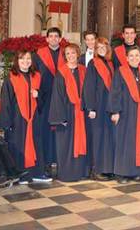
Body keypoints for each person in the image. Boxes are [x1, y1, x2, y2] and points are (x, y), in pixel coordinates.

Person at [1, 51, 51, 184]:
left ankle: (37, 173)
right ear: (17, 61)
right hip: (18, 119)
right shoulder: (11, 78)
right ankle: (22, 175)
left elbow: (44, 98)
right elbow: (6, 101)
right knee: (20, 146)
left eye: (28, 58)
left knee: (36, 144)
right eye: (22, 59)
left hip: (35, 118)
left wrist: (37, 94)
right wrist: (7, 123)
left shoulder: (37, 76)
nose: (26, 61)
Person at [108, 46, 140, 183]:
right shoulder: (120, 71)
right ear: (126, 58)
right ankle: (122, 173)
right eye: (131, 56)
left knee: (139, 140)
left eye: (137, 55)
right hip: (125, 112)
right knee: (124, 141)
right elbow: (115, 92)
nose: (134, 58)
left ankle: (138, 171)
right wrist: (115, 111)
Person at [49, 44, 89, 182]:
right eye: (67, 54)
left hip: (81, 113)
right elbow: (57, 96)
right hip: (66, 113)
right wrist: (61, 118)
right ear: (65, 56)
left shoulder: (84, 70)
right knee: (66, 145)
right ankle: (66, 173)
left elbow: (88, 93)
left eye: (73, 53)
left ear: (78, 54)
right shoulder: (61, 72)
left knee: (82, 142)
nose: (71, 56)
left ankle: (81, 172)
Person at [83, 37, 115, 181]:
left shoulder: (110, 63)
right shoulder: (93, 63)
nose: (102, 49)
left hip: (108, 106)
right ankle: (96, 169)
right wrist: (91, 107)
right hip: (97, 105)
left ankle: (107, 168)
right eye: (99, 47)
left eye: (104, 47)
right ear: (95, 49)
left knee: (107, 138)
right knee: (97, 138)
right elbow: (88, 87)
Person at [32, 27, 65, 167]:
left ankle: (59, 158)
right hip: (45, 97)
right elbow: (34, 74)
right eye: (50, 36)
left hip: (62, 97)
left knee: (60, 127)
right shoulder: (39, 54)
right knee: (45, 128)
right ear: (46, 39)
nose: (53, 38)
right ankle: (46, 159)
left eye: (56, 36)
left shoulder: (67, 54)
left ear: (60, 39)